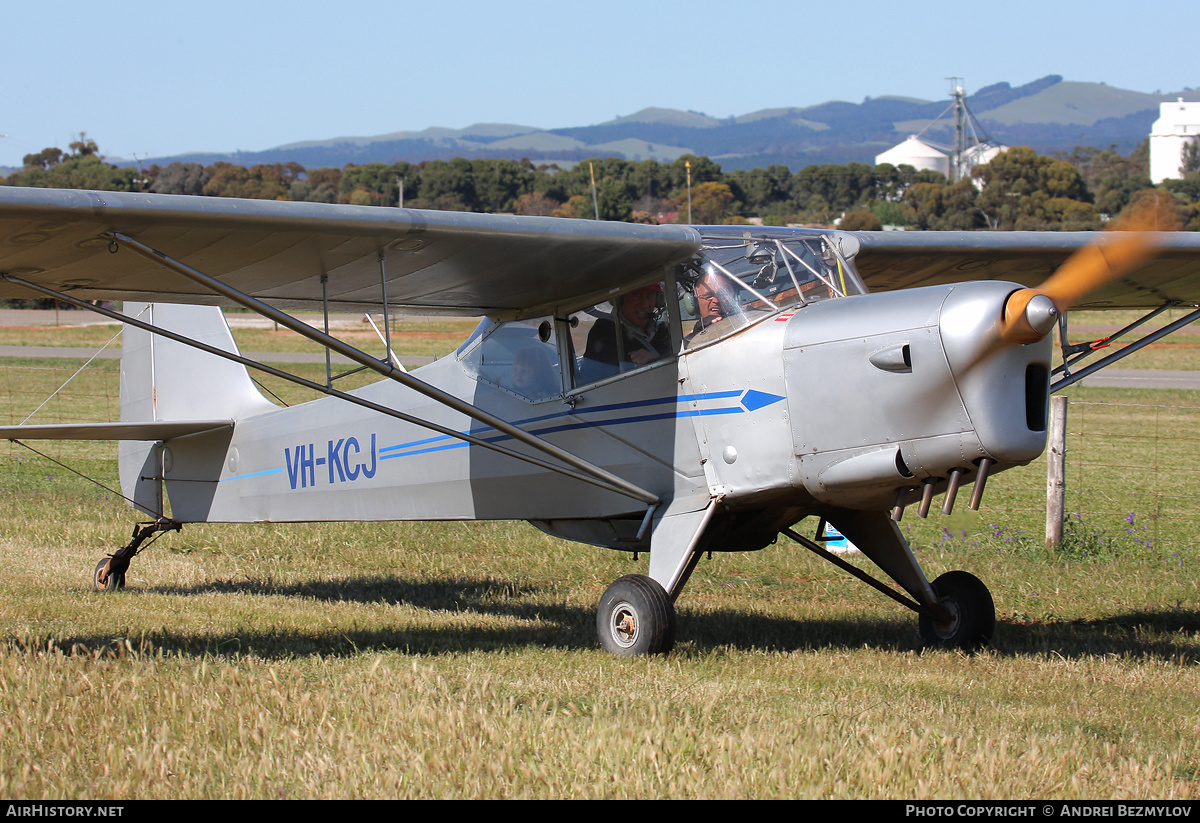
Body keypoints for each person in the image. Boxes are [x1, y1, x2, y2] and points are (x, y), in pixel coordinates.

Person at [579, 284, 670, 382]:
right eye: (637, 295)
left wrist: (657, 358)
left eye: (650, 295)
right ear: (620, 299)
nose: (644, 304)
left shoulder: (662, 330)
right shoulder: (605, 331)